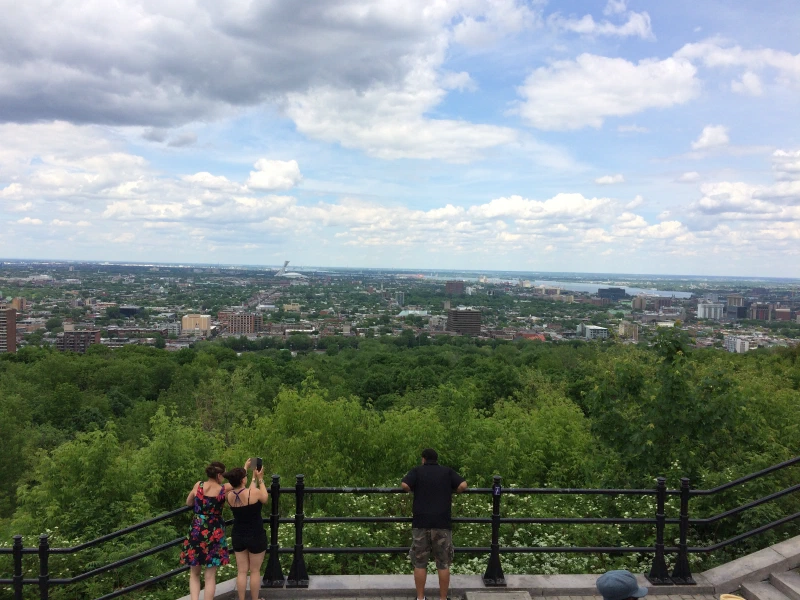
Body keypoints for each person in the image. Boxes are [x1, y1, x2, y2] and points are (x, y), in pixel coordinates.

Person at [401, 448, 467, 600]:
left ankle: (420, 598)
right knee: (443, 564)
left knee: (420, 563)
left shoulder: (417, 471)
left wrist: (412, 490)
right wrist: (454, 490)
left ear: (423, 459)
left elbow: (404, 485)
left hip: (421, 522)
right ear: (436, 459)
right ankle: (443, 598)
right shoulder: (447, 472)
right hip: (442, 523)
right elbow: (463, 485)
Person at [180, 461, 231, 600]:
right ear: (219, 475)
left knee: (194, 573)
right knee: (210, 576)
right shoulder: (223, 489)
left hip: (197, 529)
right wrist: (246, 468)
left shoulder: (199, 485)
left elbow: (188, 502)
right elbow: (239, 481)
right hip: (215, 531)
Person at [224, 460, 269, 600]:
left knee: (242, 571)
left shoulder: (229, 496)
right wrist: (260, 479)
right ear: (243, 480)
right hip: (256, 535)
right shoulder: (254, 493)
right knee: (255, 571)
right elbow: (265, 498)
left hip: (238, 535)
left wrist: (250, 475)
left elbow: (244, 491)